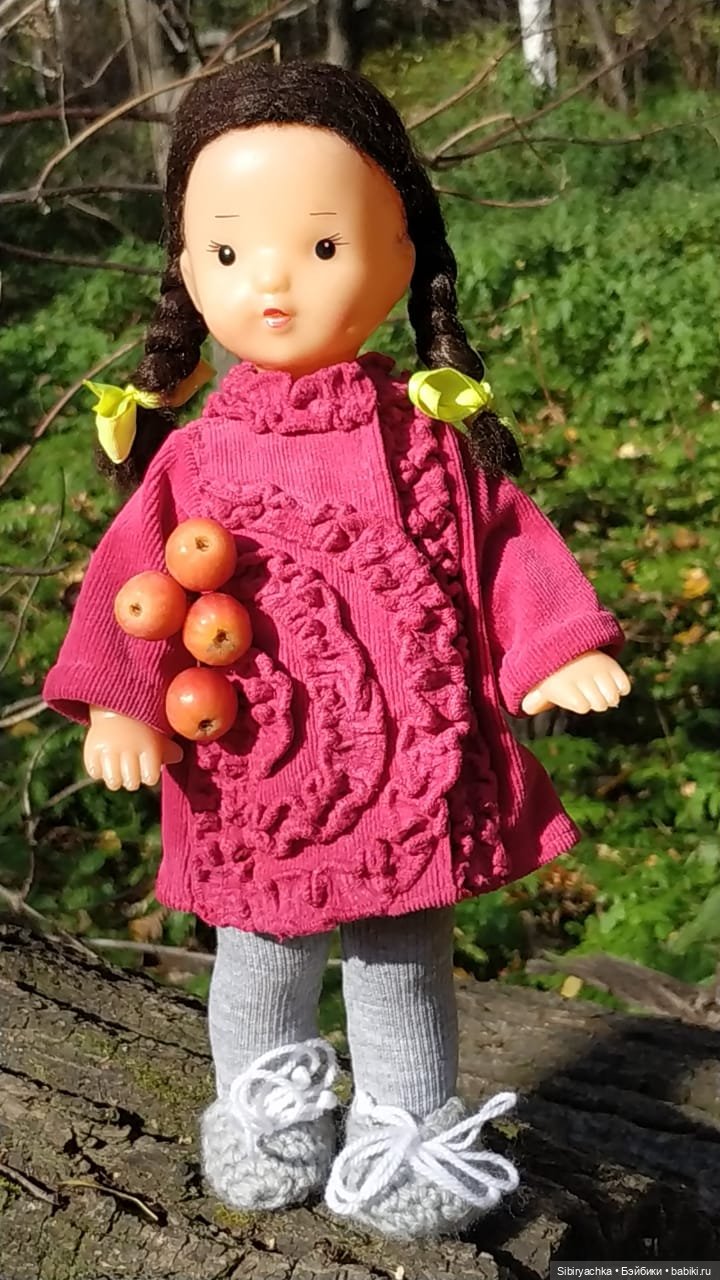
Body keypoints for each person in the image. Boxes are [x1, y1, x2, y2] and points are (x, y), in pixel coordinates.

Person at [43, 59, 630, 1240]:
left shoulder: (428, 442)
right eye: (228, 251)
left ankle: (405, 1124)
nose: (270, 280)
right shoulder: (195, 456)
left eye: (320, 246)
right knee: (258, 952)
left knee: (402, 957)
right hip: (253, 771)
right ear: (187, 269)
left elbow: (506, 543)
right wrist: (121, 702)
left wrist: (552, 642)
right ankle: (264, 1106)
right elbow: (131, 579)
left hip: (410, 767)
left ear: (401, 255)